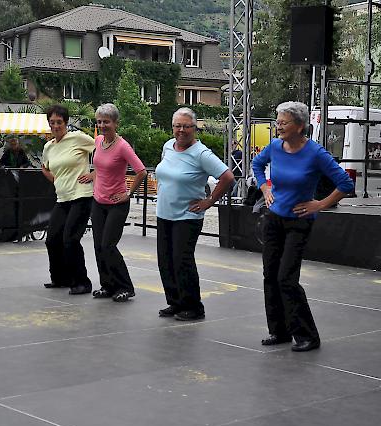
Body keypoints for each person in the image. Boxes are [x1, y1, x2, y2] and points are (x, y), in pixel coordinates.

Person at [252, 101, 354, 352]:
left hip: (299, 222)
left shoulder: (315, 153)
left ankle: (307, 335)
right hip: (274, 219)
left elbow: (345, 184)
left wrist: (319, 204)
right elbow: (256, 165)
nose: (278, 127)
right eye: (277, 122)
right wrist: (265, 188)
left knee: (286, 278)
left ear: (300, 126)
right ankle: (279, 331)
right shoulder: (275, 147)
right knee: (270, 276)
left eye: (283, 123)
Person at [155, 108, 235, 321]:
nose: (181, 130)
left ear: (195, 128)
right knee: (166, 260)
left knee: (182, 261)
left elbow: (227, 177)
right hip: (164, 213)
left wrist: (209, 201)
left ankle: (193, 306)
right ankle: (175, 301)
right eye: (177, 126)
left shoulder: (201, 154)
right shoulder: (167, 147)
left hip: (187, 216)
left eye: (186, 126)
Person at [78, 103, 146, 302]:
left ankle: (125, 286)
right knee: (99, 246)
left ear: (116, 123)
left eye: (106, 122)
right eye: (99, 121)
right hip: (98, 202)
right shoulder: (98, 141)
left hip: (117, 203)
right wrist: (93, 176)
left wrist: (128, 193)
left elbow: (141, 171)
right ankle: (107, 285)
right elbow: (101, 166)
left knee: (108, 245)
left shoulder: (123, 146)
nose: (102, 125)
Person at [41, 105, 95, 295]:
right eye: (52, 122)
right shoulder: (49, 146)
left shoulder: (78, 138)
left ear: (66, 122)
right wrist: (56, 180)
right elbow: (44, 167)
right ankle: (60, 278)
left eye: (59, 122)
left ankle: (82, 282)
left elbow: (104, 151)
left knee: (70, 239)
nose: (55, 126)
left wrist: (94, 174)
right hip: (62, 198)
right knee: (52, 239)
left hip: (81, 196)